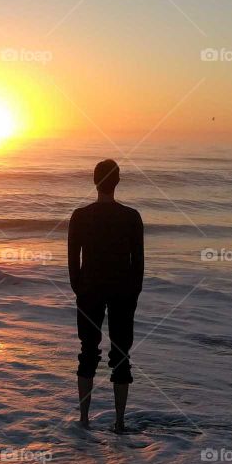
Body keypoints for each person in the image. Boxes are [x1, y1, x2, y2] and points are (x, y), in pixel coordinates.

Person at [67, 160, 144, 433]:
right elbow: (139, 264)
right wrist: (133, 293)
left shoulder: (80, 216)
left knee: (88, 352)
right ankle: (119, 422)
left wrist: (80, 288)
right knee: (121, 356)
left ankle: (84, 419)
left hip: (89, 290)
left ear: (94, 181)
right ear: (118, 182)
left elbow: (72, 262)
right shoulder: (131, 217)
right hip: (123, 291)